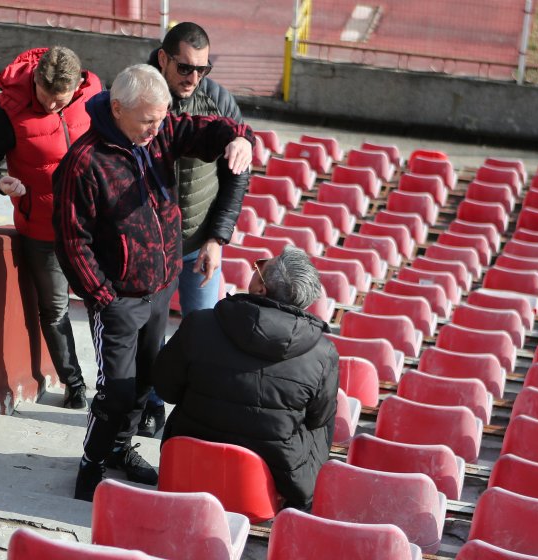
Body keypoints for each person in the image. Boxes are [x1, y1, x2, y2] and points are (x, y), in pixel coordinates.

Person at [52, 63, 253, 502]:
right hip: (120, 301)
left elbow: (207, 128)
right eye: (148, 120)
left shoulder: (158, 129)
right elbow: (72, 241)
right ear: (119, 109)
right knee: (116, 393)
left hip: (160, 288)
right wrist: (105, 297)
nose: (157, 129)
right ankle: (93, 464)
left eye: (161, 119)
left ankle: (122, 449)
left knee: (147, 382)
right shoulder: (85, 163)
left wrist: (238, 138)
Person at [152, 246, 339, 510]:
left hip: (185, 468)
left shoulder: (200, 324)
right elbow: (318, 419)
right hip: (267, 485)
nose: (256, 266)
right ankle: (301, 507)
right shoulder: (323, 352)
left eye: (260, 266)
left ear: (261, 290)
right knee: (323, 414)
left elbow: (165, 388)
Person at [0, 46, 102, 410]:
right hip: (41, 229)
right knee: (55, 308)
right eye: (45, 98)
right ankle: (74, 383)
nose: (52, 107)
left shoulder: (93, 95)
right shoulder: (9, 108)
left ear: (76, 89)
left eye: (60, 101)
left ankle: (111, 384)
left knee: (104, 305)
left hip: (91, 227)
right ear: (35, 82)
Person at [137, 22, 250, 438]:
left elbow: (239, 173)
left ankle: (191, 413)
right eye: (185, 67)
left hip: (201, 243)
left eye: (202, 69)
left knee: (202, 334)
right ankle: (148, 404)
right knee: (149, 335)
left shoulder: (217, 99)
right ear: (164, 58)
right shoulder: (136, 91)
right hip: (151, 248)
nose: (194, 77)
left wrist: (217, 239)